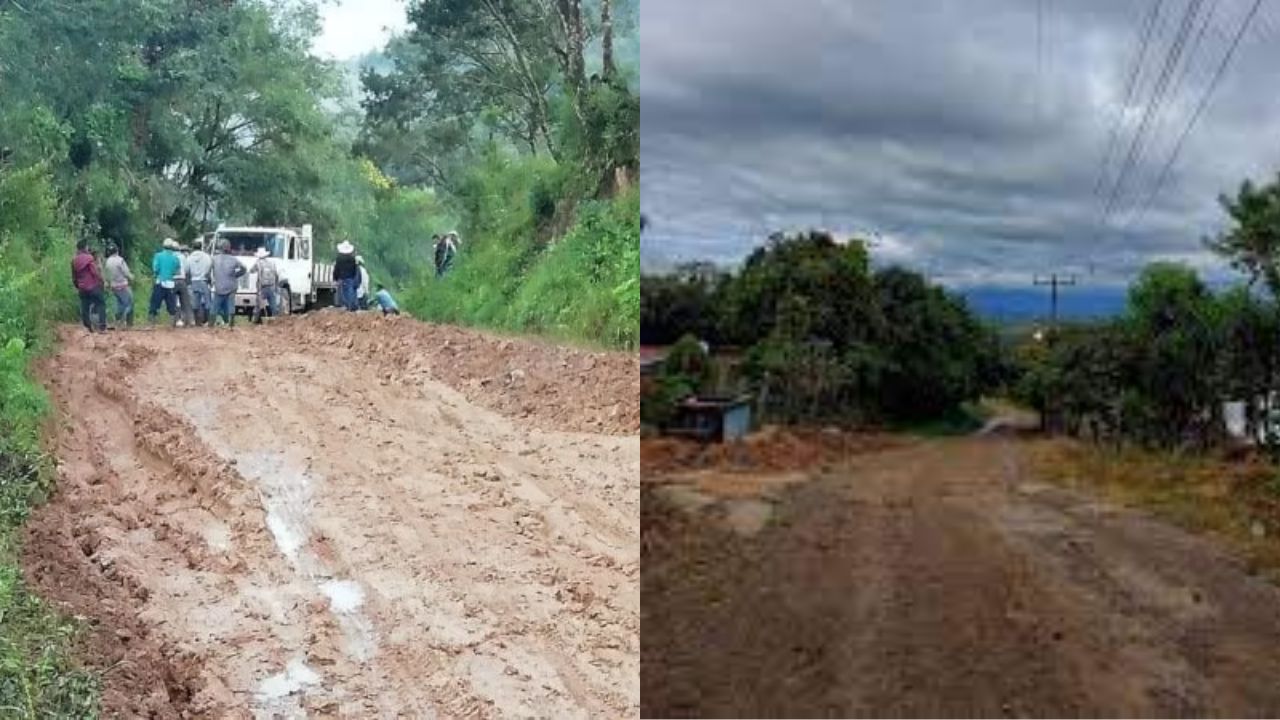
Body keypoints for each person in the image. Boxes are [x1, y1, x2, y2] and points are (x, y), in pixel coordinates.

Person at [71, 239, 107, 333]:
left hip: (82, 287)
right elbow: (94, 272)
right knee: (101, 304)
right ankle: (102, 327)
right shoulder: (89, 258)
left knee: (85, 307)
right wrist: (102, 281)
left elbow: (74, 276)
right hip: (92, 286)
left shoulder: (74, 260)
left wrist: (77, 285)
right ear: (85, 247)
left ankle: (87, 327)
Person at [210, 238, 247, 326]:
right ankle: (231, 323)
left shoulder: (214, 259)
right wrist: (237, 274)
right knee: (231, 304)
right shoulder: (233, 259)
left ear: (220, 248)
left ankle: (211, 323)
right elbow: (244, 268)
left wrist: (212, 278)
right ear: (229, 248)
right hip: (231, 285)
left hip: (219, 285)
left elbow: (208, 270)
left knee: (215, 305)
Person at [148, 238, 182, 326]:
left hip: (160, 282)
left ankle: (152, 323)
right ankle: (171, 324)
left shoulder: (158, 256)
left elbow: (155, 269)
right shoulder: (175, 258)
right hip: (170, 283)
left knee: (155, 303)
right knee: (171, 305)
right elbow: (177, 272)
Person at [103, 244, 134, 328]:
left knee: (120, 303)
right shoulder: (120, 260)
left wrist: (107, 283)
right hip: (122, 285)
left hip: (113, 286)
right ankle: (126, 323)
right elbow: (126, 272)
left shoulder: (108, 261)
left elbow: (106, 274)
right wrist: (131, 277)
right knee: (129, 303)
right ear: (117, 251)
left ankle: (118, 321)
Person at [251, 247, 281, 323]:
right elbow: (276, 275)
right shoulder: (272, 263)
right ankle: (276, 319)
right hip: (271, 286)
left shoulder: (258, 263)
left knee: (258, 304)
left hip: (262, 287)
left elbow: (251, 270)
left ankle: (256, 320)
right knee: (273, 304)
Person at [187, 240, 213, 326]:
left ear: (193, 247)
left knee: (195, 302)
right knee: (207, 301)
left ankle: (197, 322)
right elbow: (209, 268)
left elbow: (187, 270)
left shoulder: (189, 258)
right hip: (204, 281)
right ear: (201, 247)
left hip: (194, 281)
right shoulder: (206, 257)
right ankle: (209, 321)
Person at [334, 241, 359, 311]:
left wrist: (336, 277)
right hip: (350, 277)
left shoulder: (339, 259)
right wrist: (353, 276)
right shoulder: (352, 259)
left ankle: (346, 305)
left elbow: (337, 268)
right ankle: (350, 305)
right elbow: (354, 269)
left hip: (342, 277)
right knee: (349, 291)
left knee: (343, 292)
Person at [173, 244, 195, 328]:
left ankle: (175, 320)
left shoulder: (171, 256)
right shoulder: (182, 257)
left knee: (174, 302)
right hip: (182, 280)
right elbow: (186, 269)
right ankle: (190, 321)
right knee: (185, 302)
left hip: (173, 281)